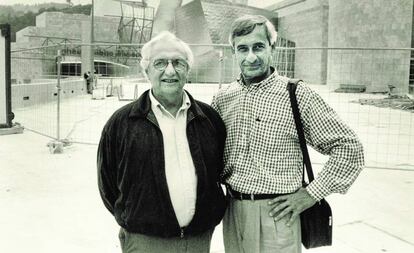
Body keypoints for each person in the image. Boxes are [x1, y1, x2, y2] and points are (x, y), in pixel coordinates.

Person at [211, 15, 364, 253]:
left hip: (278, 214)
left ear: (273, 48)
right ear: (234, 52)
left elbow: (349, 148)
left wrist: (312, 194)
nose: (251, 57)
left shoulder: (296, 94)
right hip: (233, 214)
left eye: (258, 47)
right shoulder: (223, 98)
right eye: (243, 49)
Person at [97, 31, 227, 253]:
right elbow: (107, 185)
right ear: (146, 70)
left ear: (188, 69)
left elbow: (219, 172)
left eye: (178, 63)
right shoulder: (121, 123)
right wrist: (133, 216)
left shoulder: (209, 118)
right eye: (160, 63)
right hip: (146, 241)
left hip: (198, 239)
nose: (170, 71)